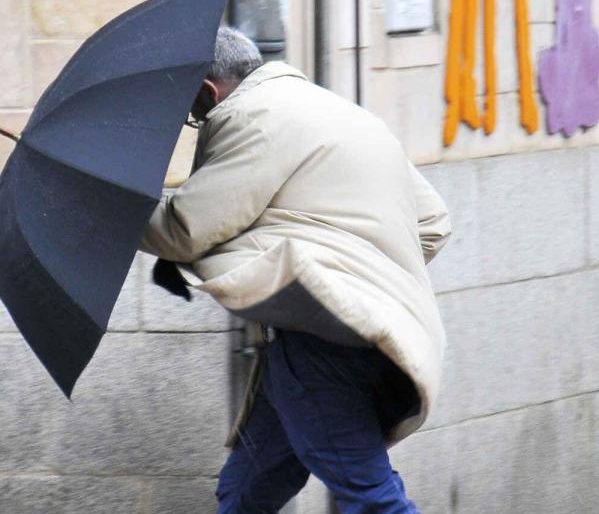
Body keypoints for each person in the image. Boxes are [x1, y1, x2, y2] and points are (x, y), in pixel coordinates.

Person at [139, 27, 451, 513]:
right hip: (366, 335)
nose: (196, 120)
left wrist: (110, 209)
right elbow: (432, 222)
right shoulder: (339, 112)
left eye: (193, 111)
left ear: (208, 92)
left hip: (322, 345)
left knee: (371, 499)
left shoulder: (250, 117)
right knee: (245, 491)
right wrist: (362, 279)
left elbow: (186, 230)